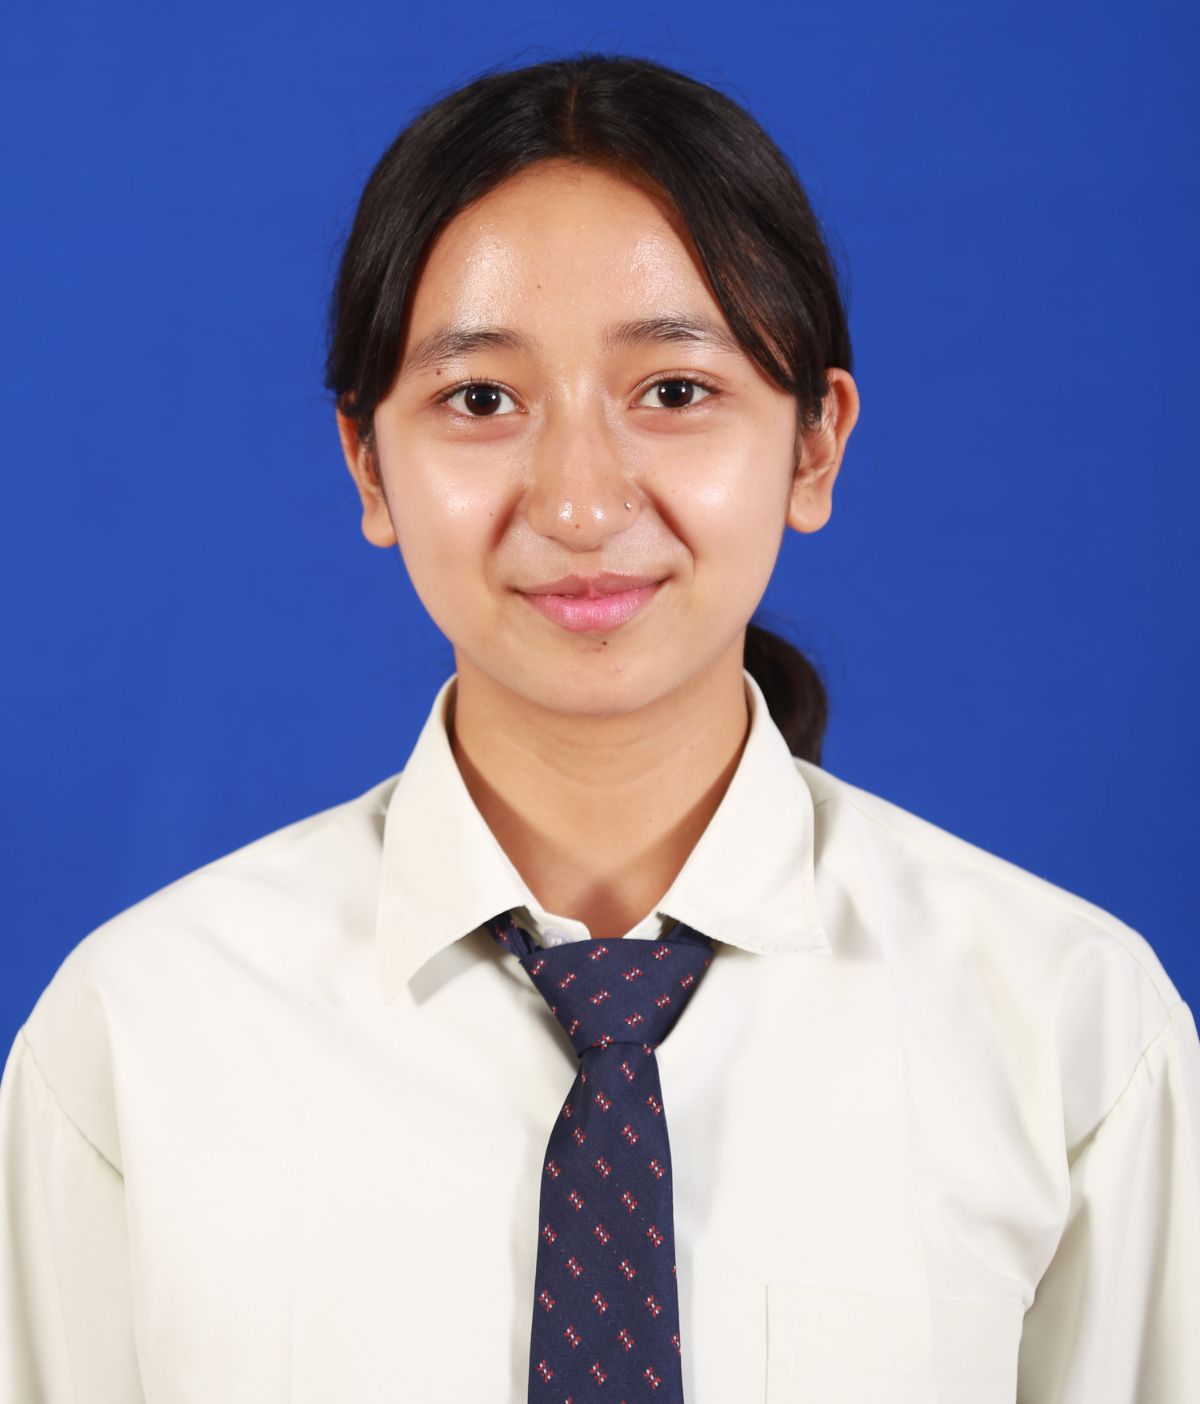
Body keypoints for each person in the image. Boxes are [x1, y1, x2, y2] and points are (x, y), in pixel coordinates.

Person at [2, 50, 1197, 1404]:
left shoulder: (1070, 1036)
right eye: (481, 400)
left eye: (674, 392)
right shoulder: (139, 1039)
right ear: (367, 463)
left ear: (815, 445)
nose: (579, 503)